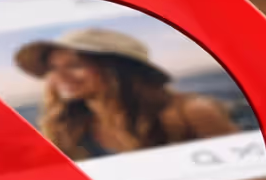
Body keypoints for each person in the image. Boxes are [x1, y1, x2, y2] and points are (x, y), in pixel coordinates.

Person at [14, 28, 238, 160]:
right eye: (52, 68)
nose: (59, 77)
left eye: (74, 65)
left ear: (116, 69)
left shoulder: (193, 112)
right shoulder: (66, 128)